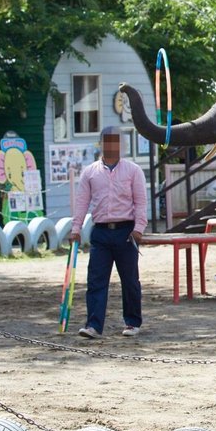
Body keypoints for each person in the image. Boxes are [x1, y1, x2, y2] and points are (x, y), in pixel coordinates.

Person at [69, 126, 147, 338]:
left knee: (129, 280)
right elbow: (82, 203)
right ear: (101, 144)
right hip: (101, 233)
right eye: (107, 141)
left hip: (126, 232)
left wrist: (139, 228)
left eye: (116, 141)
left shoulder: (133, 170)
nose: (112, 146)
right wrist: (75, 228)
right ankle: (94, 325)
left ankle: (132, 322)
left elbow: (140, 201)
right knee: (96, 280)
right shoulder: (90, 172)